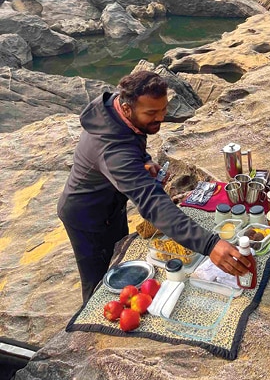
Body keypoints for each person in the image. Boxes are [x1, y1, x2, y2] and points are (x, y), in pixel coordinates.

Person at [58, 70, 251, 303]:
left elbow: (132, 139)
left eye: (163, 110)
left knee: (119, 263)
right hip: (86, 218)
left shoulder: (115, 112)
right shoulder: (113, 151)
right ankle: (87, 330)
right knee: (99, 283)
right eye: (152, 113)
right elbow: (154, 205)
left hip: (111, 207)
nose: (161, 118)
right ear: (127, 108)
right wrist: (210, 245)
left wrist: (145, 160)